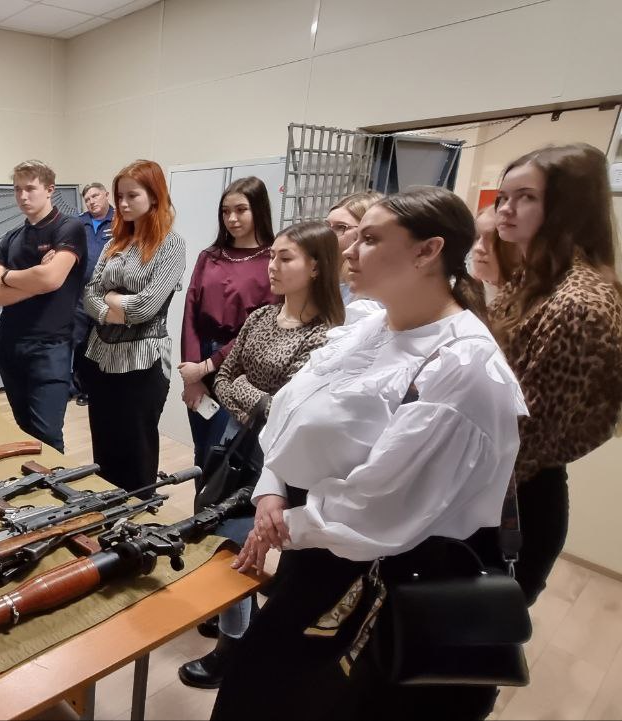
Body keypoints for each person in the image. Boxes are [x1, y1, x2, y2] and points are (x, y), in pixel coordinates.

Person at [212, 187, 526, 720]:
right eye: (353, 237)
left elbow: (382, 506)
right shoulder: (368, 324)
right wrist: (271, 489)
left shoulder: (462, 366)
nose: (349, 251)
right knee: (256, 688)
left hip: (370, 571)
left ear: (428, 251)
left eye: (371, 239)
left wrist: (284, 523)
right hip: (311, 545)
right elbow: (288, 412)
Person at [178, 220, 344, 689]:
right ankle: (233, 623)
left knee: (243, 545)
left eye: (285, 258)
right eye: (272, 256)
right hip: (235, 443)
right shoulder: (260, 318)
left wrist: (253, 395)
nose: (272, 265)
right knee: (222, 536)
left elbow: (291, 411)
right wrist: (260, 399)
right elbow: (225, 378)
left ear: (316, 267)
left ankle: (232, 651)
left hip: (281, 458)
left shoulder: (326, 337)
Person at [489, 143, 622, 605]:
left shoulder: (580, 302)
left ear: (568, 208)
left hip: (516, 495)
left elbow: (531, 434)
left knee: (478, 631)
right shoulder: (531, 278)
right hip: (493, 480)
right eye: (503, 197)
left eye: (525, 197)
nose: (506, 209)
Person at [79, 161, 184, 495]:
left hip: (142, 361)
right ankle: (109, 511)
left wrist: (111, 300)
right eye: (119, 196)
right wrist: (111, 309)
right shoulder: (115, 242)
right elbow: (89, 294)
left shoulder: (170, 244)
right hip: (101, 357)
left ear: (154, 196)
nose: (122, 203)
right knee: (104, 447)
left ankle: (138, 515)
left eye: (132, 195)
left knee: (137, 451)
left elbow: (145, 307)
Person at [0, 160, 86, 453]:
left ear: (50, 189)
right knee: (25, 432)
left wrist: (7, 277)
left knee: (47, 435)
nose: (22, 196)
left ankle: (55, 484)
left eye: (30, 188)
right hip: (9, 345)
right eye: (17, 189)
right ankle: (32, 482)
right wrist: (33, 279)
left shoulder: (69, 228)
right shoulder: (12, 238)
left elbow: (51, 279)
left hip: (49, 348)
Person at [178, 176, 277, 468]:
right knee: (202, 451)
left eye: (241, 210)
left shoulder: (272, 260)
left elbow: (260, 328)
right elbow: (190, 313)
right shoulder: (209, 257)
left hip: (241, 368)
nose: (232, 219)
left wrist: (208, 366)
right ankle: (200, 499)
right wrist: (193, 375)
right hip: (200, 361)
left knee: (226, 455)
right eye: (225, 211)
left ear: (258, 210)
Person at [71, 182, 114, 405]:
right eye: (87, 199)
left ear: (106, 195)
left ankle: (101, 388)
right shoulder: (79, 222)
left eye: (95, 196)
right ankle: (83, 389)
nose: (91, 201)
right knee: (79, 343)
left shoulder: (120, 222)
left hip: (107, 296)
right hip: (80, 295)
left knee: (102, 342)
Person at [325, 191, 382, 304]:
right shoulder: (319, 272)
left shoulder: (372, 299)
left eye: (340, 227)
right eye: (326, 226)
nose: (327, 233)